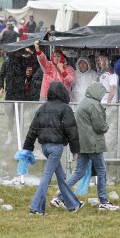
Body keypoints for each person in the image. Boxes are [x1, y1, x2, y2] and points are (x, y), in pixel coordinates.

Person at [52, 82, 119, 211]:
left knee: (78, 172)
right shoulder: (94, 105)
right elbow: (100, 126)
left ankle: (59, 197)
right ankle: (104, 201)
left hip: (82, 143)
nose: (102, 96)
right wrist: (106, 126)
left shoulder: (83, 102)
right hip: (93, 143)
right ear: (97, 93)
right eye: (102, 94)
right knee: (101, 170)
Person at [23, 82, 82, 215]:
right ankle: (36, 208)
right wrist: (75, 150)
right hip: (56, 148)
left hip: (45, 147)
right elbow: (72, 131)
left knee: (61, 177)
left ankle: (73, 205)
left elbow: (32, 129)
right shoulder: (65, 108)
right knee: (46, 178)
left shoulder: (42, 107)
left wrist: (27, 148)